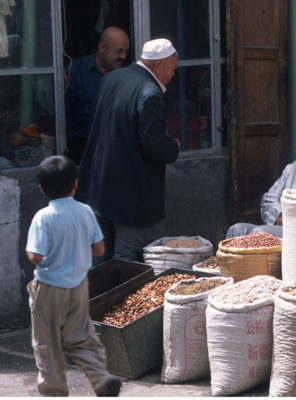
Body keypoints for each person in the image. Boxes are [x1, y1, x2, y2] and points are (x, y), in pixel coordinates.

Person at [76, 38, 181, 263]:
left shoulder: (113, 77)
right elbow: (152, 145)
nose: (173, 74)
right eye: (172, 68)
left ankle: (99, 299)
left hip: (101, 187)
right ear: (159, 65)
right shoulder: (150, 93)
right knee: (127, 260)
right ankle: (116, 298)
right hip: (131, 195)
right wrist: (173, 146)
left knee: (100, 258)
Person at [25, 155, 121, 397]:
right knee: (81, 338)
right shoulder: (86, 211)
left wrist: (40, 252)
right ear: (75, 184)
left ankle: (54, 390)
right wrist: (77, 246)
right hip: (78, 287)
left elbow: (35, 256)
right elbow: (99, 249)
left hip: (49, 288)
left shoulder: (43, 217)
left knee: (47, 342)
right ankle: (101, 378)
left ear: (42, 188)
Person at [64, 26, 130, 164]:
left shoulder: (126, 73)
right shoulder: (74, 71)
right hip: (81, 149)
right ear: (101, 47)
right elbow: (62, 112)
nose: (123, 57)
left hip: (117, 149)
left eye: (126, 51)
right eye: (119, 51)